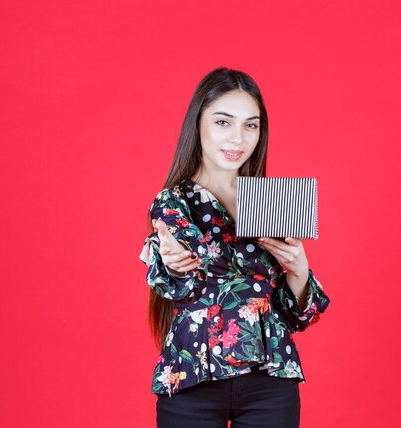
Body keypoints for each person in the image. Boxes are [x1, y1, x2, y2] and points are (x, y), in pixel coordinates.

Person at [139, 67, 330, 428]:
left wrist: (300, 270)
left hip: (271, 381)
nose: (238, 138)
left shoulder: (273, 201)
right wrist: (174, 265)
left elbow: (298, 317)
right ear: (198, 125)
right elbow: (177, 281)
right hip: (192, 376)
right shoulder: (173, 202)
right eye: (223, 122)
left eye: (251, 125)